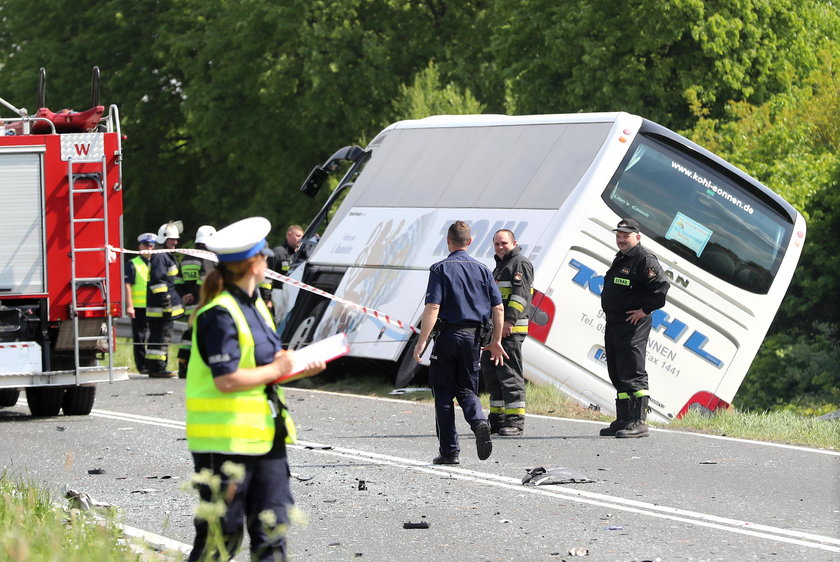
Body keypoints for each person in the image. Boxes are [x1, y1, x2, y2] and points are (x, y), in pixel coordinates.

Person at [185, 216, 325, 562]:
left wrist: (299, 367)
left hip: (266, 439)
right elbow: (226, 378)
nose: (269, 261)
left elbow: (267, 369)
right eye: (264, 256)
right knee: (222, 539)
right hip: (225, 443)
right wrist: (278, 368)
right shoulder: (218, 314)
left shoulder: (258, 306)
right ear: (252, 264)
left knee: (272, 531)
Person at [412, 220, 507, 465]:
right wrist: (496, 340)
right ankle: (479, 423)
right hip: (473, 339)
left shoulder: (439, 269)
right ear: (470, 241)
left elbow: (433, 306)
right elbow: (498, 307)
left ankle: (449, 451)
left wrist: (422, 341)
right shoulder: (484, 270)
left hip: (447, 338)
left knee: (443, 393)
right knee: (467, 390)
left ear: (448, 241)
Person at [599, 218, 670, 438]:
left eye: (625, 236)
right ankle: (624, 419)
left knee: (632, 370)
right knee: (617, 370)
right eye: (618, 235)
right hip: (615, 322)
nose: (621, 239)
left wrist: (644, 310)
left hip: (633, 324)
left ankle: (638, 422)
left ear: (637, 237)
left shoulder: (644, 259)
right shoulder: (622, 257)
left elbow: (661, 288)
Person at [481, 229, 534, 437]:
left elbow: (520, 297)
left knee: (510, 375)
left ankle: (515, 421)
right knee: (493, 374)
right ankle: (497, 419)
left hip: (510, 330)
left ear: (514, 242)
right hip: (495, 332)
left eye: (504, 243)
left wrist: (508, 321)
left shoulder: (519, 263)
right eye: (496, 244)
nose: (500, 247)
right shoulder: (500, 266)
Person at [175, 225, 217, 378]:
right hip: (204, 305)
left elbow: (178, 281)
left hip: (190, 307)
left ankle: (183, 366)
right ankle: (204, 369)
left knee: (190, 335)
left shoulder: (187, 257)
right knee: (205, 335)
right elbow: (205, 281)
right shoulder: (207, 257)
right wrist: (193, 294)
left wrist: (185, 294)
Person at [145, 221, 185, 377]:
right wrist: (167, 304)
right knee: (161, 337)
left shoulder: (165, 256)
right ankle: (158, 369)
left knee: (159, 337)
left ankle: (155, 368)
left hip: (161, 308)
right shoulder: (161, 257)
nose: (175, 242)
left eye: (176, 239)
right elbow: (159, 284)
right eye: (171, 239)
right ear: (163, 239)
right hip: (161, 308)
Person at [124, 232, 157, 374]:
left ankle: (152, 364)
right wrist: (130, 305)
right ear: (140, 246)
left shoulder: (157, 261)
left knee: (154, 336)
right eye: (146, 245)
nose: (149, 248)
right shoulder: (133, 263)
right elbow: (128, 285)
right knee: (139, 337)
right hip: (138, 307)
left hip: (154, 306)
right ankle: (142, 366)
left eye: (151, 245)